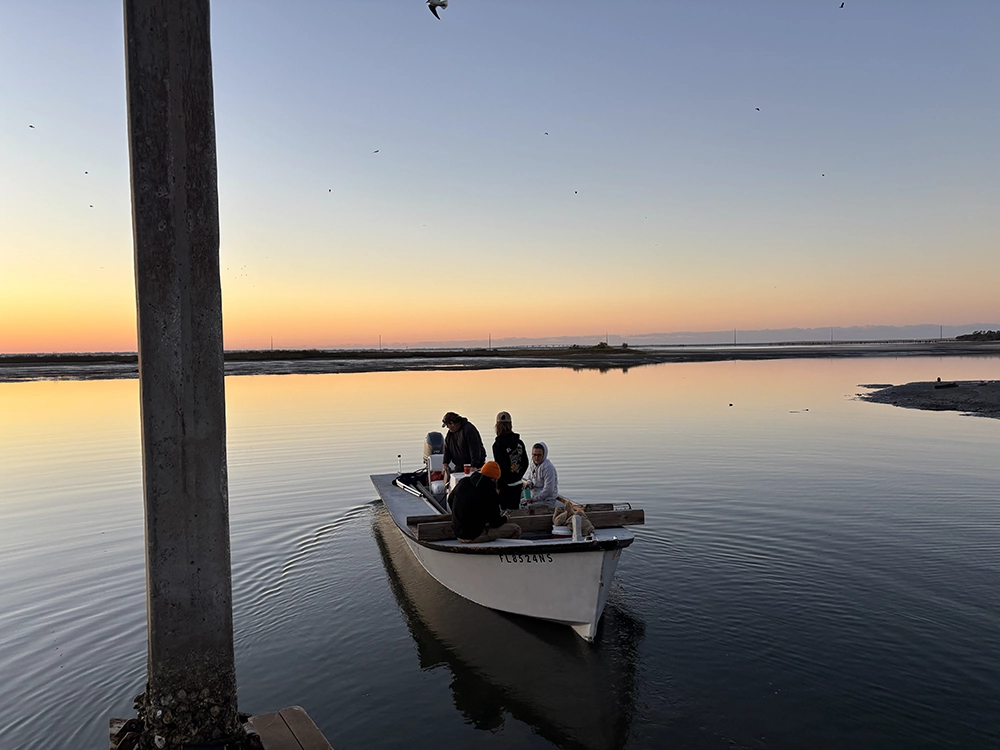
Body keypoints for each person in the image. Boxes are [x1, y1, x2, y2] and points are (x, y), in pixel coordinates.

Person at [450, 461, 523, 543]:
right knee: (516, 529)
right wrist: (505, 518)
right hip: (474, 535)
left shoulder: (464, 482)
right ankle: (503, 554)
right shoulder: (490, 492)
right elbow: (495, 523)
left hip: (457, 532)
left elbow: (450, 500)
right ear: (495, 479)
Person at [491, 411, 528, 511]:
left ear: (497, 426)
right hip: (517, 483)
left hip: (505, 485)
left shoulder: (497, 445)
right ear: (511, 425)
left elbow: (500, 467)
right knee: (515, 509)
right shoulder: (519, 443)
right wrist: (518, 475)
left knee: (504, 511)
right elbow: (525, 462)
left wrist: (498, 486)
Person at [441, 411, 486, 476]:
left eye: (447, 425)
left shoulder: (469, 429)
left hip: (473, 467)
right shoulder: (450, 434)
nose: (447, 427)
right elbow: (447, 449)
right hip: (459, 467)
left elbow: (475, 449)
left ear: (452, 423)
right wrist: (445, 463)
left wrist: (474, 466)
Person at [522, 441, 559, 509]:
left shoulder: (548, 468)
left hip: (547, 500)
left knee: (523, 508)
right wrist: (529, 484)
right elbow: (530, 478)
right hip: (535, 497)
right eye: (534, 455)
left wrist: (533, 499)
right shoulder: (533, 464)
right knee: (518, 503)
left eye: (539, 455)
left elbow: (548, 490)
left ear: (544, 455)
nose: (536, 457)